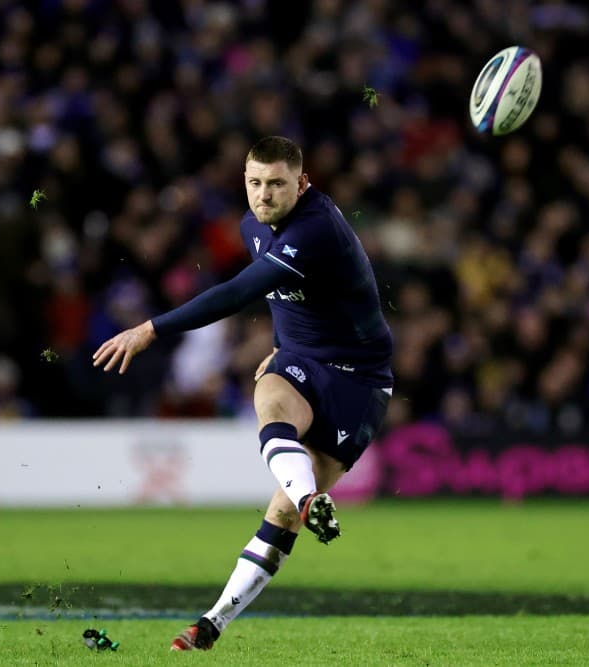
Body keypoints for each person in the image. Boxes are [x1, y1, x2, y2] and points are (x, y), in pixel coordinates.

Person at [92, 136, 394, 651]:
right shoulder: (252, 228)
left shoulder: (317, 227)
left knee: (279, 516)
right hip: (299, 360)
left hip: (359, 379)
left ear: (302, 183)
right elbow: (289, 300)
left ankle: (293, 513)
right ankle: (210, 626)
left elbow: (237, 294)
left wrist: (150, 330)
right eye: (255, 183)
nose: (264, 194)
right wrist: (281, 347)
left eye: (277, 183)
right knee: (269, 398)